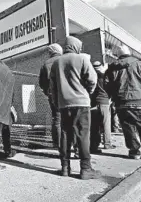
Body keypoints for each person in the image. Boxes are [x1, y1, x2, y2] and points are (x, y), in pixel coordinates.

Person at [50, 36, 101, 180]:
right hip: (81, 102)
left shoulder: (56, 63)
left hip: (64, 103)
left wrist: (57, 101)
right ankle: (85, 168)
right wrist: (88, 91)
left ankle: (65, 167)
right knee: (83, 134)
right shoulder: (82, 59)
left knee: (65, 134)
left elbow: (52, 87)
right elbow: (92, 79)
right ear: (76, 46)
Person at [105, 45, 141, 160]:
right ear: (129, 53)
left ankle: (134, 151)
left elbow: (107, 86)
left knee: (128, 128)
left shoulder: (112, 68)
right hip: (140, 101)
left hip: (121, 102)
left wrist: (113, 96)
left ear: (117, 55)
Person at [39, 43, 63, 148]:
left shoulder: (46, 64)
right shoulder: (65, 60)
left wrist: (47, 92)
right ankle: (70, 143)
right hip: (67, 94)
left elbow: (42, 82)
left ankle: (57, 143)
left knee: (56, 118)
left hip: (53, 95)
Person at [90, 61, 116, 153]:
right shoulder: (104, 76)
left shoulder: (90, 76)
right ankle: (107, 144)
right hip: (104, 102)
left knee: (94, 125)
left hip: (93, 103)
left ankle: (94, 145)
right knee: (106, 124)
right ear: (100, 66)